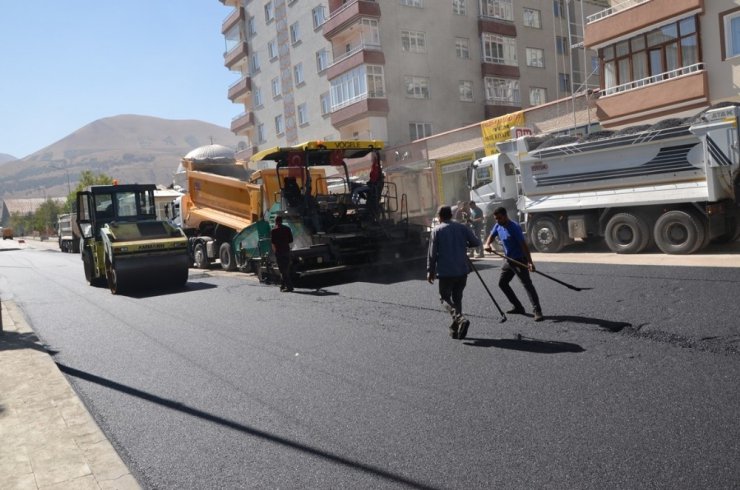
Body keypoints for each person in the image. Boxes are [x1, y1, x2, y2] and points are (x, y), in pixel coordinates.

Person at [427, 205, 482, 340]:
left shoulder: (437, 230)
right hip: (462, 269)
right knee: (457, 299)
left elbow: (432, 253)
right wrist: (464, 243)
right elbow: (475, 242)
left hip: (446, 271)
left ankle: (460, 319)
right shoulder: (462, 227)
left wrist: (430, 270)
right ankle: (456, 329)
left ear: (440, 217)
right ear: (450, 215)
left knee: (444, 298)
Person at [483, 207, 543, 321]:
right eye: (496, 219)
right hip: (508, 260)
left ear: (505, 216)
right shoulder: (498, 225)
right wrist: (487, 244)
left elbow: (524, 245)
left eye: (499, 218)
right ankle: (518, 307)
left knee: (527, 285)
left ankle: (537, 310)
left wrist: (530, 262)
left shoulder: (514, 227)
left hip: (519, 260)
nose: (497, 220)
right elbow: (491, 236)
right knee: (502, 284)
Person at [271, 215, 294, 292]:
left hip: (279, 252)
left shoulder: (274, 231)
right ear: (282, 221)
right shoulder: (287, 229)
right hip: (286, 251)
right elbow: (291, 240)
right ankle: (282, 285)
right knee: (286, 269)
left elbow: (273, 243)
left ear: (275, 221)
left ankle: (289, 287)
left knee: (282, 270)